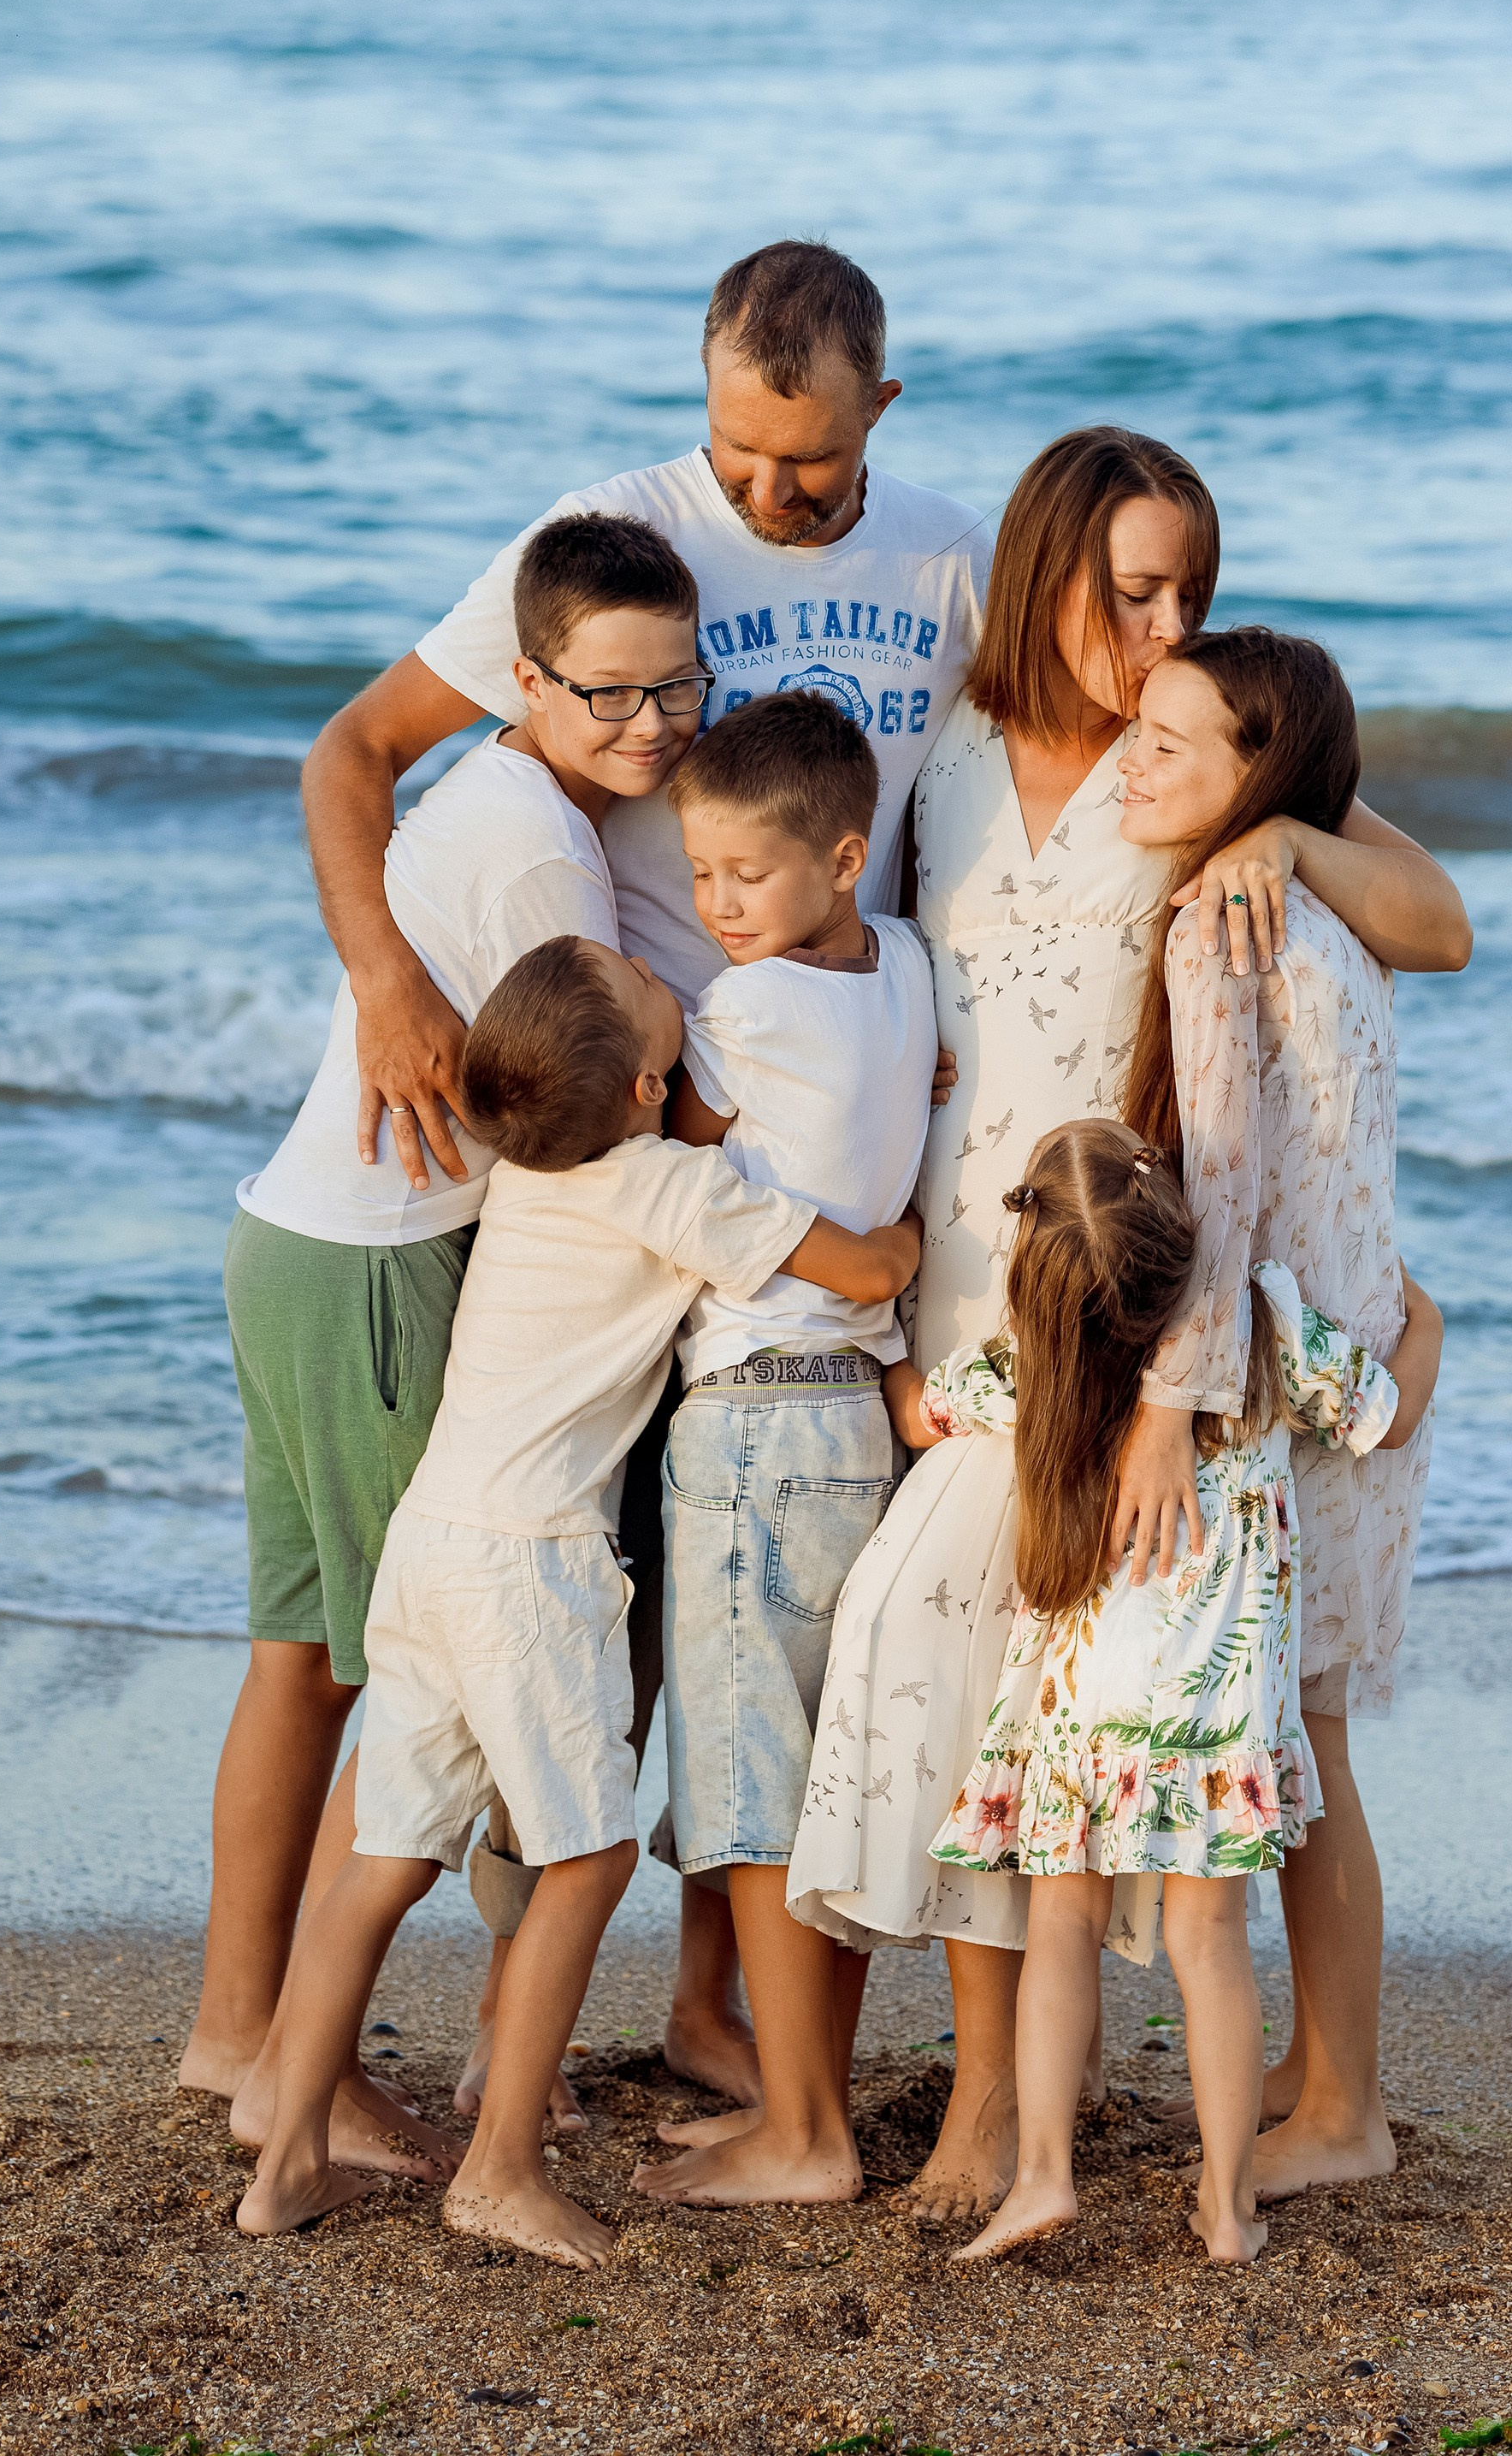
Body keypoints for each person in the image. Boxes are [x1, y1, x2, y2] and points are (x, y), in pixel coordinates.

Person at [298, 240, 993, 2096]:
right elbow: (362, 752)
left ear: (880, 414)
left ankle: (698, 2009)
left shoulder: (944, 551)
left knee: (718, 1625)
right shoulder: (612, 539)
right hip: (639, 1152)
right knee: (588, 1599)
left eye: (811, 470)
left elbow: (1036, 763)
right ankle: (378, 2037)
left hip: (817, 1119)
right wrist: (383, 989)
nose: (771, 498)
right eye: (740, 456)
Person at [786, 426, 1471, 2221]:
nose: (1161, 622)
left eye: (1188, 591)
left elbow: (1439, 921)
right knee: (1007, 1691)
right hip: (971, 1274)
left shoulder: (1213, 769)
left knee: (1162, 1689)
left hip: (1138, 1302)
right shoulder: (935, 758)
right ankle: (1000, 2103)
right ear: (1041, 575)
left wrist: (1300, 842)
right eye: (1129, 588)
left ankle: (1261, 2097)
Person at [233, 933, 924, 2251]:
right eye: (652, 994)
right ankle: (496, 2170)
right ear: (652, 1085)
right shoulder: (666, 1185)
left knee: (386, 1857)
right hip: (529, 1564)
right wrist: (920, 1171)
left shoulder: (530, 1180)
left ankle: (286, 2160)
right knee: (591, 1851)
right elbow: (874, 1272)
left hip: (431, 1544)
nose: (662, 970)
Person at [180, 511, 704, 2166]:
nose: (645, 728)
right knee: (406, 1668)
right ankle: (300, 2075)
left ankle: (237, 2031)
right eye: (605, 698)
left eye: (673, 692)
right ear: (524, 677)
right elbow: (621, 1098)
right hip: (383, 1273)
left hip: (296, 1244)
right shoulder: (547, 854)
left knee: (307, 1660)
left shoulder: (483, 786)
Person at [907, 1121, 1439, 2264]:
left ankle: (1043, 2176)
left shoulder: (1033, 1364)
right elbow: (1384, 1412)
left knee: (1060, 1926)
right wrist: (1427, 1316)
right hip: (1217, 1715)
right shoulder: (1259, 1330)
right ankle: (1225, 2205)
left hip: (1075, 1709)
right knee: (1209, 1944)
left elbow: (928, 1411)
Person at [1121, 624, 1441, 2199]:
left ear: (1264, 776)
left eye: (1177, 744)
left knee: (1298, 1753)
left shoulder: (1222, 920)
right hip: (1354, 1356)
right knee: (1312, 1743)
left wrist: (1163, 1410)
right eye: (1140, 728)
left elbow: (1229, 1199)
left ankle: (1345, 2111)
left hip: (1291, 1387)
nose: (1135, 760)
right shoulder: (1319, 906)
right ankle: (1323, 2074)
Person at [623, 691, 936, 2210]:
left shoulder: (740, 1011)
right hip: (859, 1419)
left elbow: (675, 1135)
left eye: (748, 876)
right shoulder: (913, 968)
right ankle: (810, 2102)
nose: (716, 907)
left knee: (753, 1782)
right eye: (698, 877)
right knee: (828, 1778)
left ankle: (803, 2137)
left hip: (750, 1419)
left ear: (840, 853)